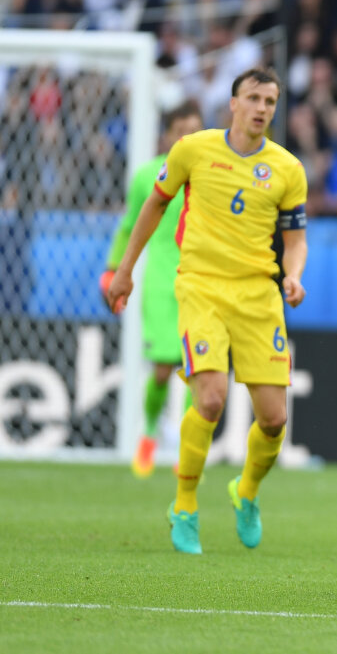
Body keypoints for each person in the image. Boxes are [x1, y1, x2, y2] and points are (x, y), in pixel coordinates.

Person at [106, 68, 309, 555]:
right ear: (233, 103)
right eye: (254, 98)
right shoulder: (193, 149)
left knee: (274, 419)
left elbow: (296, 238)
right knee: (211, 399)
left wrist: (294, 274)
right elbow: (153, 207)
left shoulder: (287, 168)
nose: (262, 108)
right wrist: (124, 270)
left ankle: (246, 491)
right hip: (201, 286)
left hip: (258, 295)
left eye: (270, 101)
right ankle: (185, 505)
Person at [100, 101, 203, 477]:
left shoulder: (212, 174)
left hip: (201, 280)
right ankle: (148, 432)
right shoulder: (148, 175)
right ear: (168, 135)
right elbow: (130, 225)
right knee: (162, 369)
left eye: (194, 131)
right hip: (160, 281)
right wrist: (114, 268)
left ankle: (188, 449)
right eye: (181, 131)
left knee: (197, 368)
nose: (187, 138)